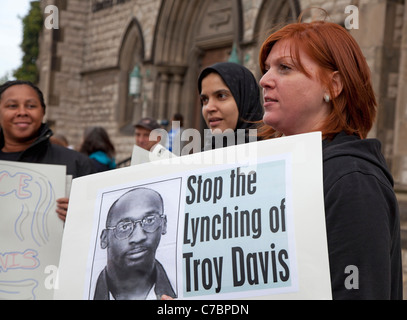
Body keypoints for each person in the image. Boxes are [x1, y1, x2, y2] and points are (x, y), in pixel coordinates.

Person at [257, 20, 403, 300]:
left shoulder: (352, 180)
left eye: (285, 68)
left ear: (333, 85)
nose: (264, 80)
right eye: (266, 69)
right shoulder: (287, 170)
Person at [0, 80, 95, 221]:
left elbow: (99, 221)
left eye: (31, 106)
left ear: (43, 112)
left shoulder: (78, 164)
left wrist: (82, 215)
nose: (22, 112)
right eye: (12, 106)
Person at [94, 188, 176, 300]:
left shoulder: (183, 287)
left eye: (149, 221)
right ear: (104, 238)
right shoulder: (76, 290)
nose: (139, 237)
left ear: (164, 224)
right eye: (124, 227)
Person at [198, 62, 264, 150]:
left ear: (245, 99)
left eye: (221, 96)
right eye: (205, 99)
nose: (209, 108)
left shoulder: (273, 155)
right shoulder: (202, 159)